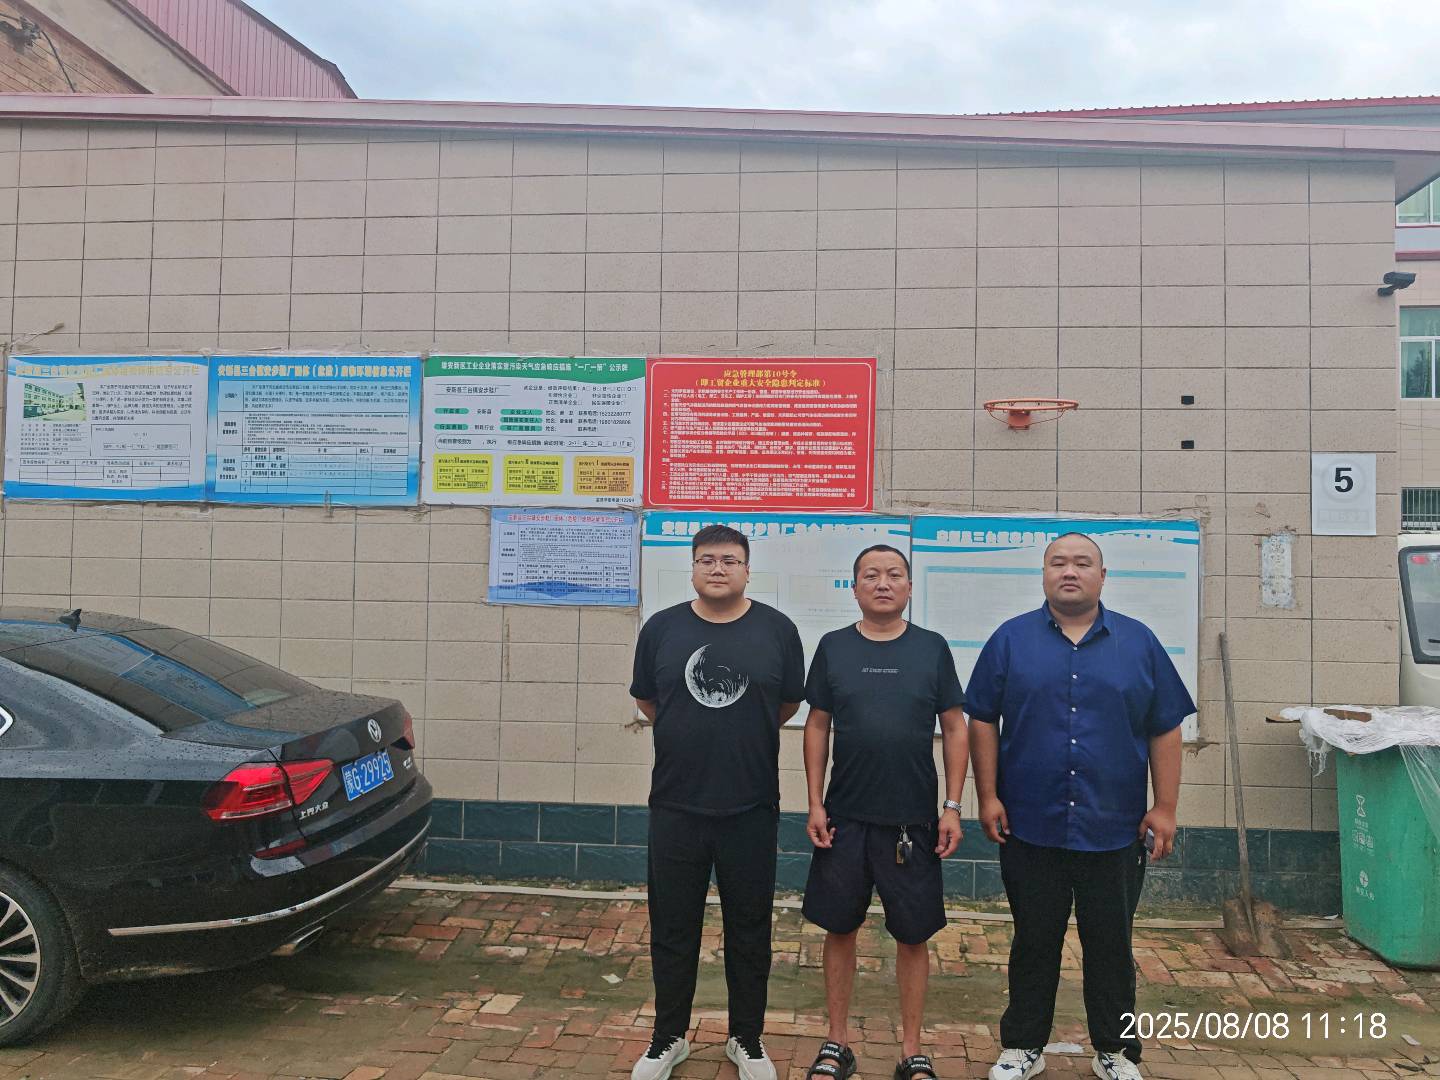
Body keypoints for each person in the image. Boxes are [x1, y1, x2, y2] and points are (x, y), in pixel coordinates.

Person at [967, 533, 1192, 1080]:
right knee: (1033, 940)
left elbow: (1165, 726)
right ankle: (1024, 1046)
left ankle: (1116, 1050)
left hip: (1113, 827)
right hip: (1029, 823)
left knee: (1111, 945)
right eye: (1058, 562)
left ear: (1102, 575)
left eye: (1082, 563)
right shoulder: (1010, 639)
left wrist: (1165, 806)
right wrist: (988, 795)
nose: (1070, 571)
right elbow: (982, 719)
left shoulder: (1138, 642)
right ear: (1044, 573)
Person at [628, 523, 805, 1080]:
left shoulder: (777, 630)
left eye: (729, 560)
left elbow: (785, 705)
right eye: (707, 559)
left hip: (750, 806)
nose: (718, 568)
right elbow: (649, 700)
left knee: (750, 929)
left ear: (747, 569)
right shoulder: (662, 629)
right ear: (693, 568)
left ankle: (745, 1038)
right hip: (676, 805)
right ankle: (668, 1037)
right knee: (672, 928)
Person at [800, 544, 969, 1080]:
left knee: (913, 937)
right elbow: (817, 724)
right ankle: (836, 1044)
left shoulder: (931, 648)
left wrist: (952, 806)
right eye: (870, 575)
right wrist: (815, 802)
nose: (883, 583)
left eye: (894, 574)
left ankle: (911, 1050)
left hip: (912, 823)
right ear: (854, 588)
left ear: (909, 588)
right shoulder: (833, 647)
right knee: (839, 929)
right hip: (844, 819)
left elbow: (955, 726)